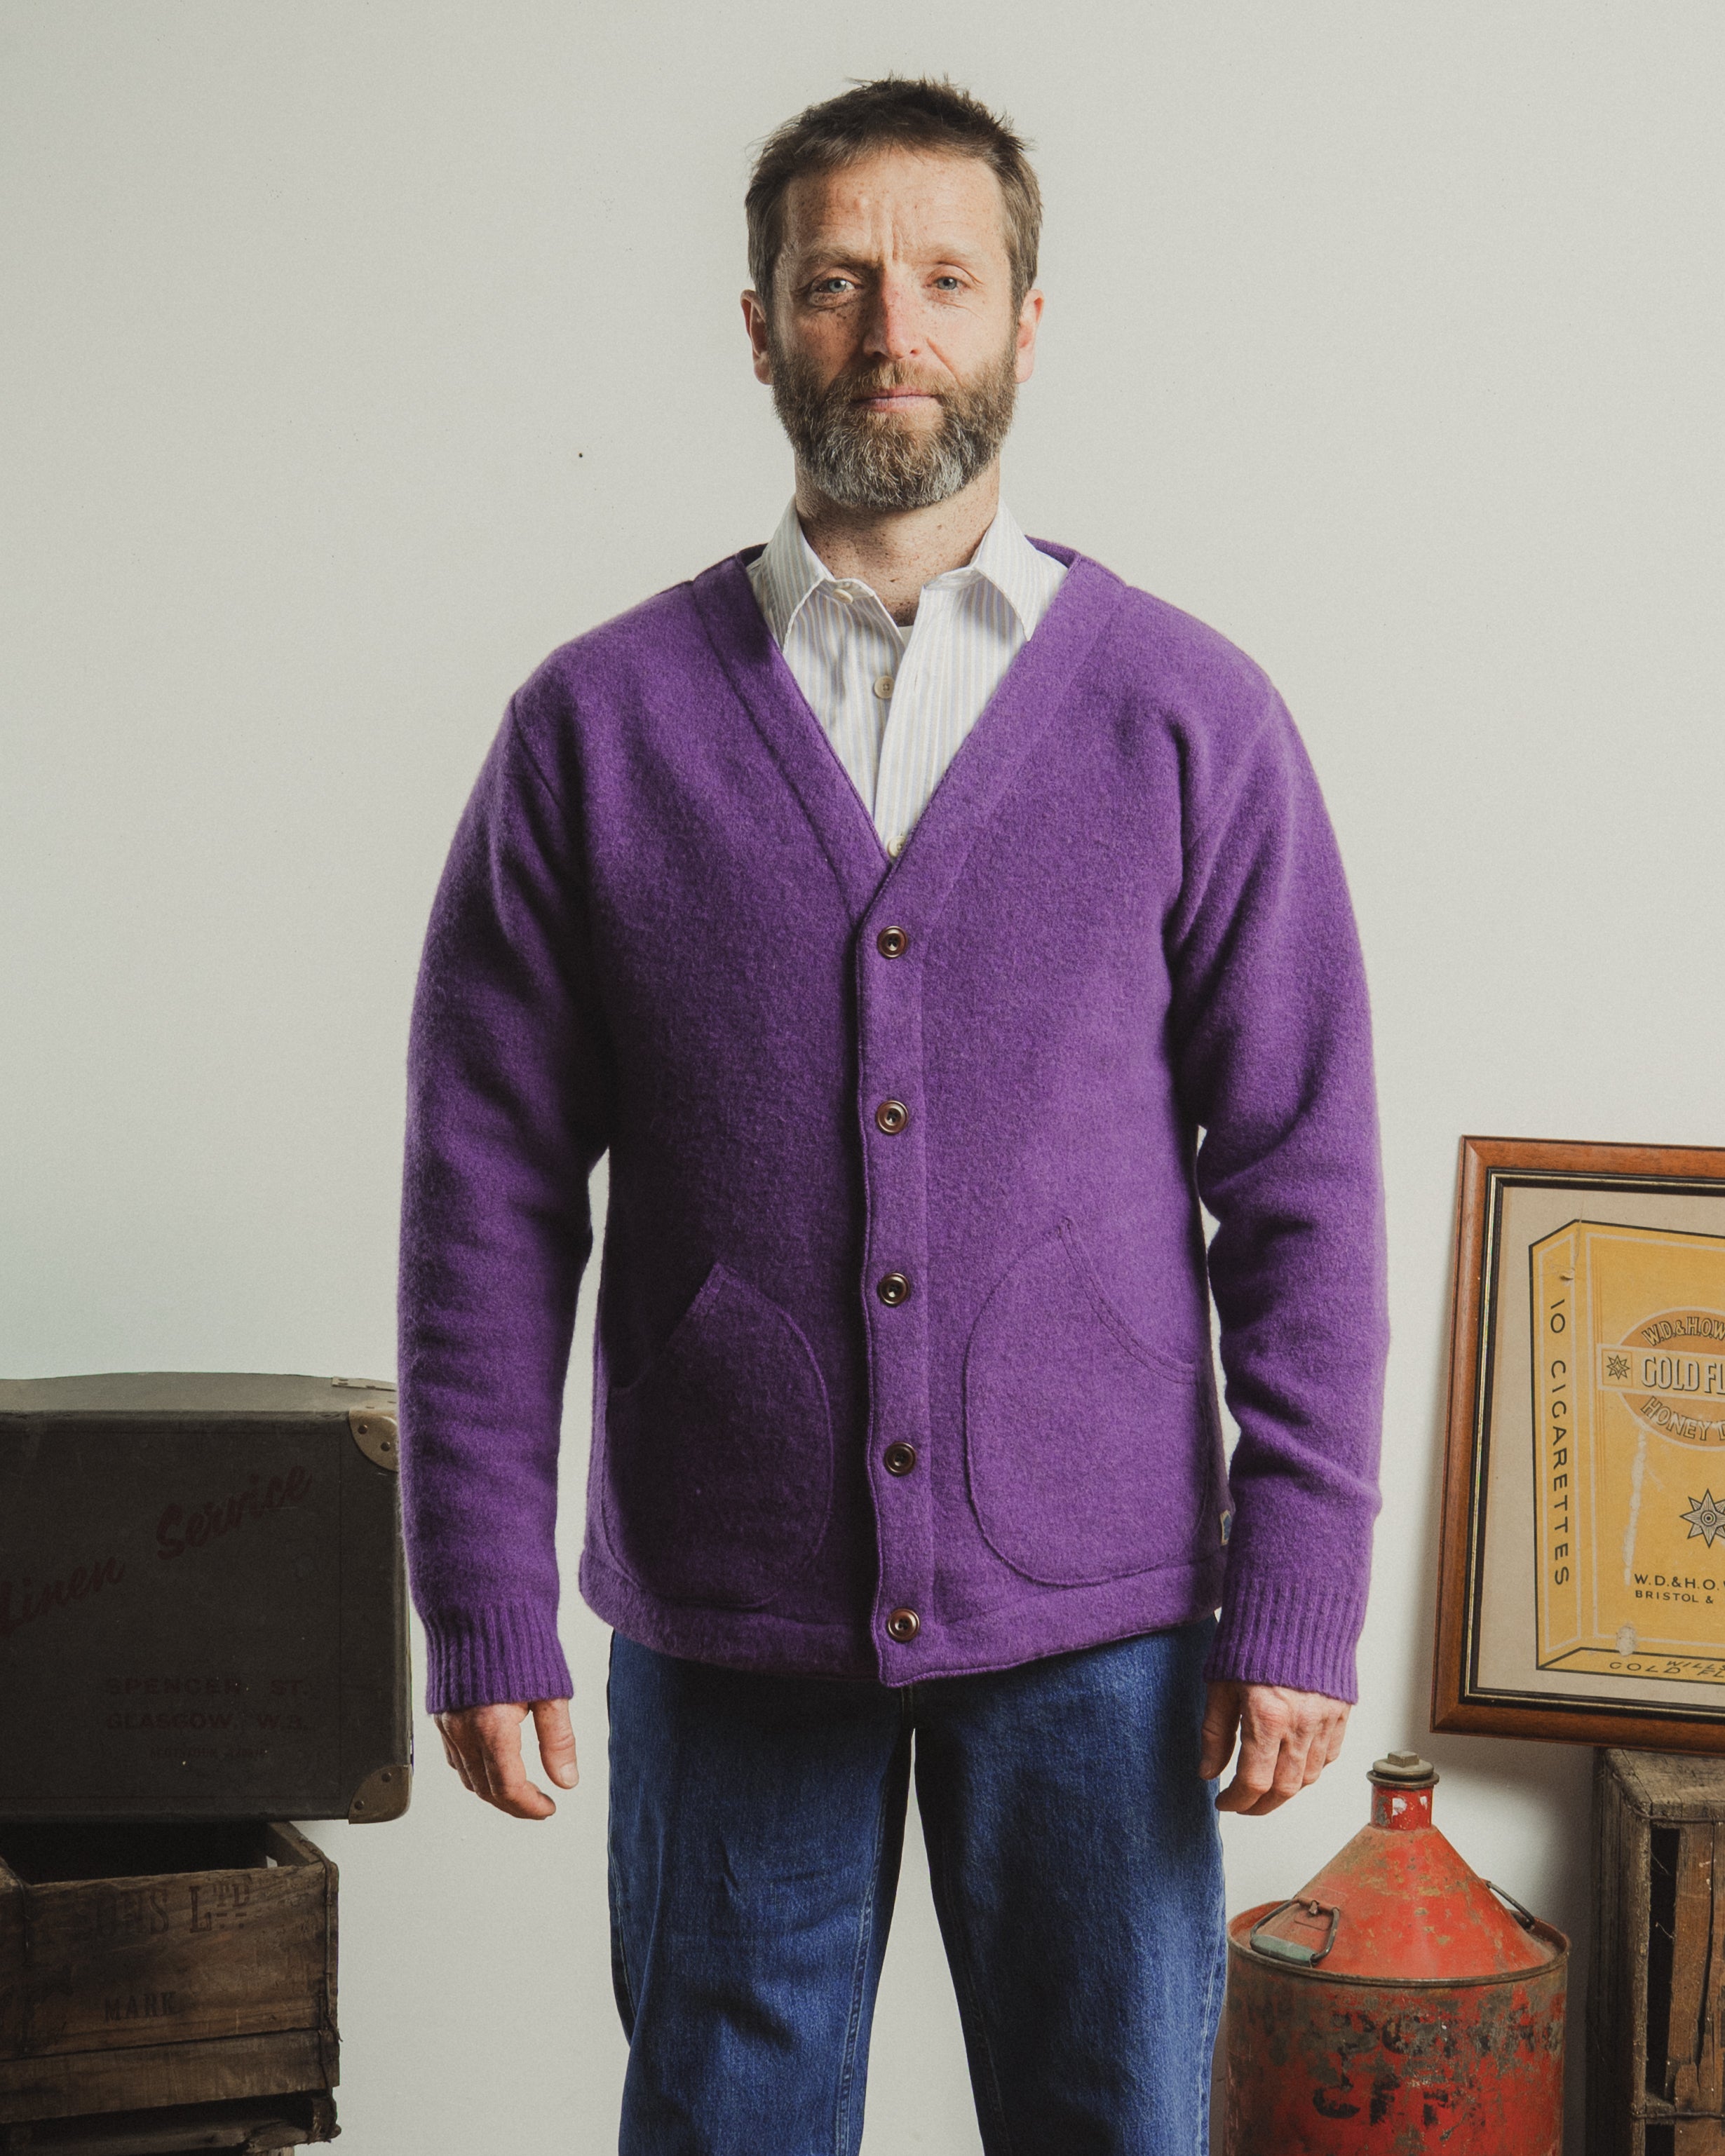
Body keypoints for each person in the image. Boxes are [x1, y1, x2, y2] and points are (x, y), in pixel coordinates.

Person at [398, 74, 1387, 2156]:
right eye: (836, 280)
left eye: (945, 278)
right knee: (723, 2126)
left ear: (1030, 322)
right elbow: (483, 1192)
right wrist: (480, 1585)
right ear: (756, 326)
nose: (890, 329)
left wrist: (1297, 1573)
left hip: (1102, 1610)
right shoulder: (595, 728)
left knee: (1110, 2120)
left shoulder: (1187, 717)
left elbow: (1296, 1169)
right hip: (726, 1588)